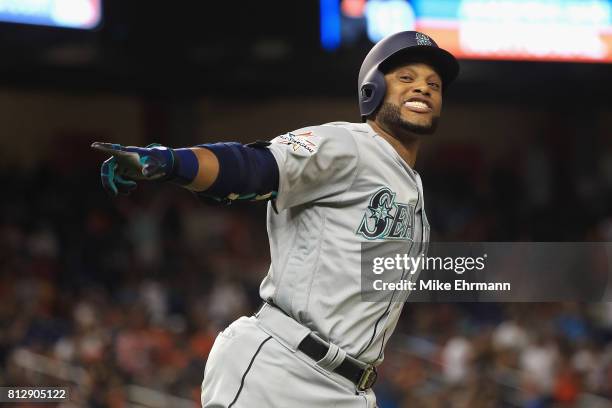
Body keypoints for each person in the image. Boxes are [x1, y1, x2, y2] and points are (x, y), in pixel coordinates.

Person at [92, 30, 459, 408]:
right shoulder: (347, 144)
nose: (424, 88)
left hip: (349, 391)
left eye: (434, 84)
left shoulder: (409, 184)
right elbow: (255, 167)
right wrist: (172, 162)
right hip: (282, 369)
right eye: (406, 78)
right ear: (372, 89)